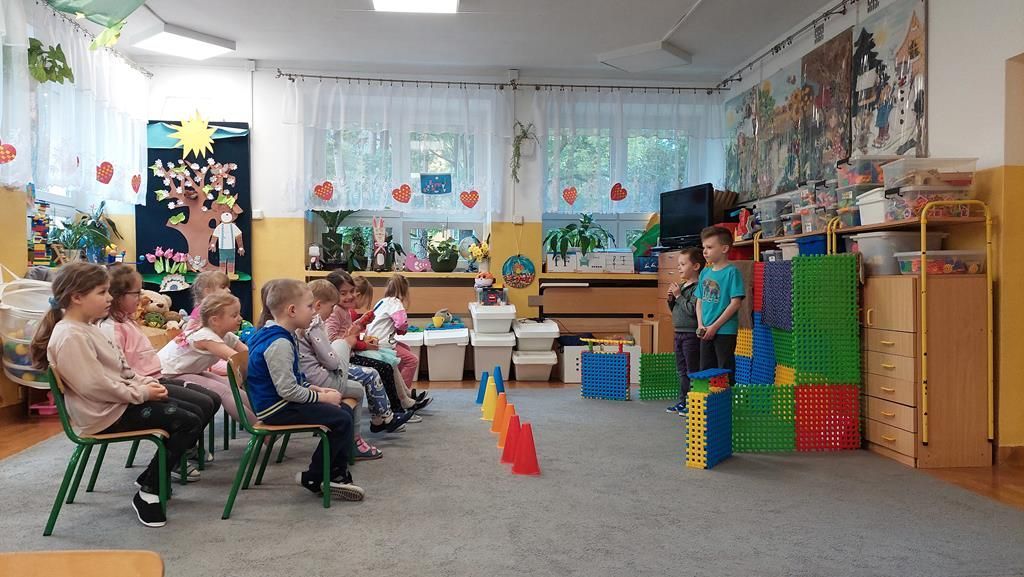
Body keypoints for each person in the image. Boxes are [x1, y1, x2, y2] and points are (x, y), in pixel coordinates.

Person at [30, 263, 203, 528]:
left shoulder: (88, 327)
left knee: (194, 412)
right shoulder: (70, 336)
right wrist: (141, 394)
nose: (109, 298)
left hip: (115, 404)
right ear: (77, 297)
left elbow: (121, 369)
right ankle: (149, 490)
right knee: (187, 421)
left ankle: (152, 478)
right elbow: (94, 386)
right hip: (103, 414)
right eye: (102, 292)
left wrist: (146, 384)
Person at [247, 279, 364, 500]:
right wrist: (321, 398)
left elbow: (295, 378)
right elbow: (288, 390)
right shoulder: (279, 343)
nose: (314, 311)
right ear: (292, 310)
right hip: (277, 408)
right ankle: (315, 476)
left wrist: (317, 389)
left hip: (282, 402)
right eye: (310, 306)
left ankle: (334, 473)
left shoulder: (282, 334)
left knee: (344, 412)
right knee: (341, 418)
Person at [103, 265, 220, 477]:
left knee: (211, 399)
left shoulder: (127, 320)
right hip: (140, 386)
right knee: (198, 406)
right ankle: (176, 457)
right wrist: (146, 385)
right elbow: (119, 370)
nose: (141, 298)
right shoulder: (112, 327)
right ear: (118, 296)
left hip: (153, 379)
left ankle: (183, 447)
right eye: (136, 293)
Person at [294, 280, 413, 458]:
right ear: (318, 305)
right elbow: (331, 360)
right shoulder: (315, 325)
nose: (333, 310)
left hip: (320, 374)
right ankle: (377, 422)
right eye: (332, 306)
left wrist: (353, 337)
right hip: (322, 377)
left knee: (375, 372)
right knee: (371, 374)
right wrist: (347, 344)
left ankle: (374, 424)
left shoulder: (315, 323)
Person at [325, 270, 420, 414]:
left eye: (352, 291)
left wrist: (361, 326)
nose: (350, 296)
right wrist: (363, 344)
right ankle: (393, 410)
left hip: (348, 355)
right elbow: (334, 341)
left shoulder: (344, 310)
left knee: (388, 363)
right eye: (343, 293)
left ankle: (402, 401)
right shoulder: (336, 311)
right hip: (343, 360)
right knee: (385, 366)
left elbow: (348, 334)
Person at [158, 292, 255, 423]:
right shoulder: (206, 337)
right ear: (215, 320)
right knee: (223, 392)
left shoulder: (226, 335)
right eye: (234, 315)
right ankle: (255, 425)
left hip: (187, 371)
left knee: (230, 386)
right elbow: (236, 359)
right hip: (168, 375)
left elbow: (248, 354)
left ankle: (262, 417)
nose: (240, 318)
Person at [359, 274, 431, 409]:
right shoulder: (396, 303)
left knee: (406, 350)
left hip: (373, 340)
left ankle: (405, 393)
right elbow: (402, 323)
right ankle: (401, 396)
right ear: (404, 291)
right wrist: (402, 331)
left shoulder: (382, 302)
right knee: (411, 360)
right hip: (382, 344)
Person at [696, 226, 745, 383]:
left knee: (724, 369)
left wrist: (715, 327)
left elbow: (735, 303)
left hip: (724, 330)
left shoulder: (732, 272)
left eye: (709, 247)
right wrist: (701, 325)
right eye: (704, 247)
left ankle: (727, 397)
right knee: (705, 368)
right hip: (705, 329)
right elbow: (699, 301)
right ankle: (707, 397)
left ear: (724, 249)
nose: (705, 252)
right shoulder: (705, 272)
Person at [666, 247, 705, 415]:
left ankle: (693, 403)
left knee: (692, 370)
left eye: (683, 264)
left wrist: (678, 296)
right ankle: (683, 401)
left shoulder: (698, 288)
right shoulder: (681, 286)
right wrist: (671, 299)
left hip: (691, 334)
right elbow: (676, 310)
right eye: (678, 264)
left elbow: (691, 311)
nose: (679, 267)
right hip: (678, 333)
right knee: (681, 370)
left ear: (695, 266)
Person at [180, 270, 231, 376]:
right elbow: (188, 331)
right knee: (232, 366)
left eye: (228, 287)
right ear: (207, 292)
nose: (228, 290)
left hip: (209, 351)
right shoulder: (203, 310)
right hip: (198, 355)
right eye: (223, 287)